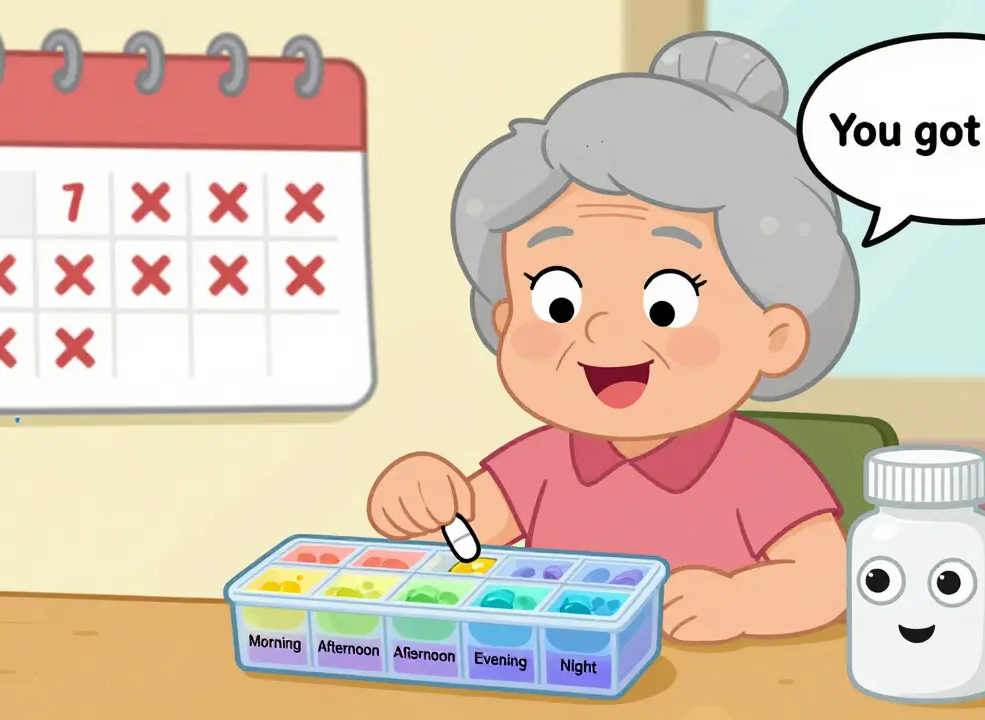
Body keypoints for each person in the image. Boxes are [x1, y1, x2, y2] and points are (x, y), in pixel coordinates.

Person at [366, 31, 859, 644]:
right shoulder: (542, 461)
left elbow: (826, 579)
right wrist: (423, 494)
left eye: (666, 302)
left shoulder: (761, 470)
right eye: (558, 300)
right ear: (505, 319)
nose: (601, 331)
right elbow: (461, 539)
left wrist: (740, 603)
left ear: (775, 336)